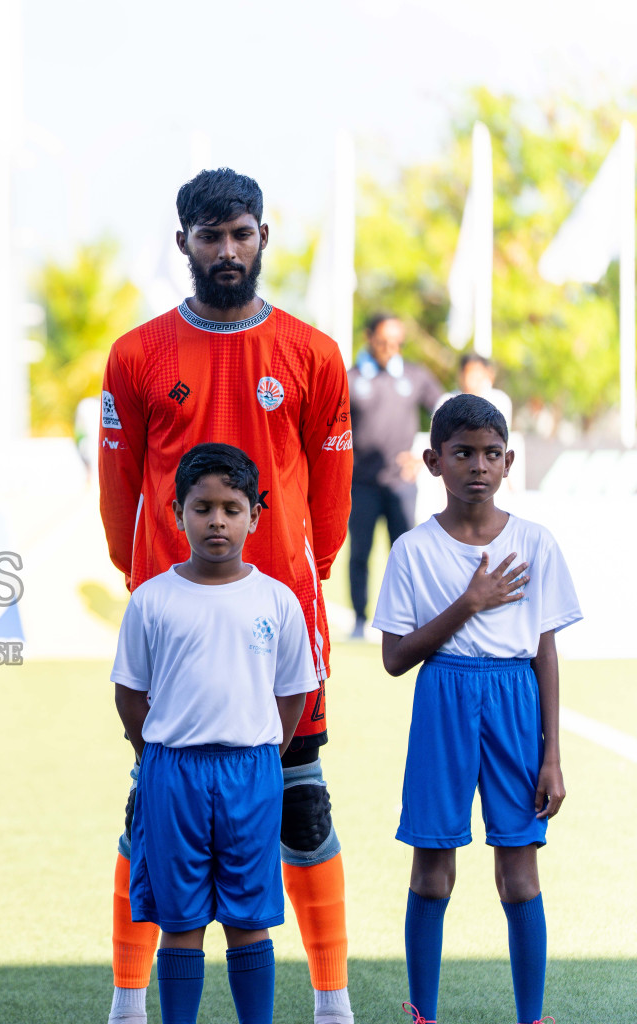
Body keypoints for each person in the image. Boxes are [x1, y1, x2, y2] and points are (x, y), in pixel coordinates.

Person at [98, 169, 355, 1024]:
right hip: (175, 617)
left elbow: (333, 487)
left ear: (262, 237)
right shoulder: (137, 354)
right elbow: (119, 479)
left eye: (240, 233)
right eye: (209, 236)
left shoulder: (312, 353)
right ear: (183, 244)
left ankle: (330, 996)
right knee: (153, 805)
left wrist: (298, 575)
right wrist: (145, 581)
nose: (227, 250)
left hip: (276, 609)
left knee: (303, 804)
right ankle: (129, 1000)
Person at [373, 395, 580, 1024]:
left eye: (492, 454)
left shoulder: (535, 542)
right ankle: (423, 1013)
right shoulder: (413, 550)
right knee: (433, 868)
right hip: (444, 698)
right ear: (435, 461)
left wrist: (552, 755)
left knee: (518, 872)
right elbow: (394, 657)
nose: (478, 466)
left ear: (509, 460)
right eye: (463, 453)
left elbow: (544, 651)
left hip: (515, 702)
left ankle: (532, 1015)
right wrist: (469, 603)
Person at [113, 443, 317, 1024]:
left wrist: (263, 751)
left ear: (255, 514)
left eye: (232, 507)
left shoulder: (276, 600)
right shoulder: (152, 599)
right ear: (176, 511)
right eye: (203, 508)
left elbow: (293, 692)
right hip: (172, 771)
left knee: (249, 919)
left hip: (251, 771)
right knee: (180, 920)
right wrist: (153, 754)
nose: (217, 521)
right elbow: (130, 694)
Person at [347, 312, 444, 640]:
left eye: (397, 343)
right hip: (360, 483)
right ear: (369, 338)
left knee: (404, 554)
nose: (391, 348)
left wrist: (424, 454)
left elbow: (447, 413)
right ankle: (359, 620)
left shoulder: (416, 376)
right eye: (385, 341)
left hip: (401, 483)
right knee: (359, 552)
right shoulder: (351, 377)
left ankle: (407, 622)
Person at [439, 352, 513, 425]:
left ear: (488, 373)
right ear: (461, 374)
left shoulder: (500, 400)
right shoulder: (446, 402)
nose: (471, 380)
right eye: (469, 373)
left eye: (476, 374)